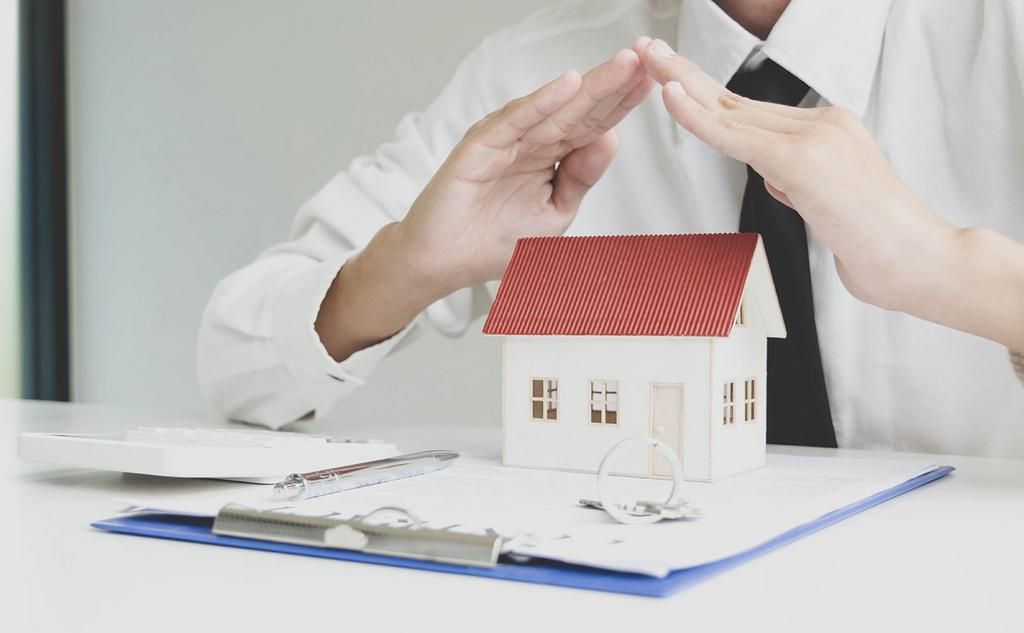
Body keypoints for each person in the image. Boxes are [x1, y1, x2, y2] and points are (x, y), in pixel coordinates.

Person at [198, 0, 1024, 458]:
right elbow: (238, 363)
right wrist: (408, 267)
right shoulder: (538, 73)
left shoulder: (1001, 37)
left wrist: (941, 268)